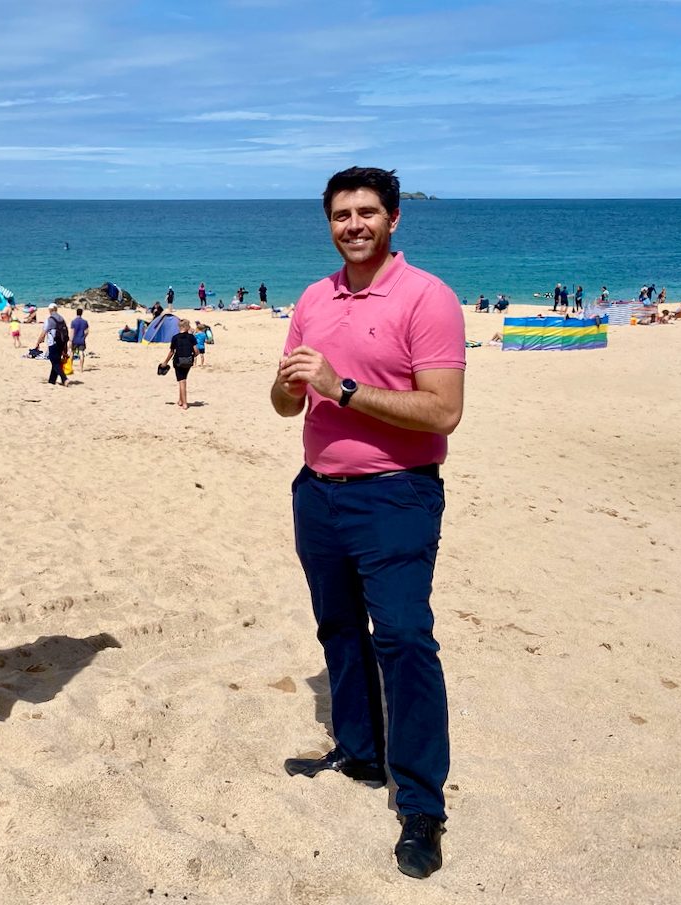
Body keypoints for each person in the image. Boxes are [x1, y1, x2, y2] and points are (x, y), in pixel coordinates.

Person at [272, 167, 464, 880]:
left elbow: (442, 410)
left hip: (396, 495)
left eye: (367, 213)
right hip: (318, 492)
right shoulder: (314, 298)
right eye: (342, 214)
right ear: (329, 222)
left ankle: (419, 803)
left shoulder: (428, 297)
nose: (354, 224)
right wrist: (290, 386)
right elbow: (285, 404)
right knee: (339, 627)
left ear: (393, 220)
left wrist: (342, 387)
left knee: (406, 638)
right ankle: (358, 749)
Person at [161, 317, 197, 409]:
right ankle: (181, 401)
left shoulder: (175, 338)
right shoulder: (191, 337)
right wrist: (193, 356)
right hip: (188, 361)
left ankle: (185, 404)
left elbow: (171, 352)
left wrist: (165, 362)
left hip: (178, 361)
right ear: (187, 326)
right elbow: (196, 351)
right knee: (183, 379)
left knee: (182, 381)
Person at [33, 302, 70, 386]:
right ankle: (51, 381)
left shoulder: (50, 320)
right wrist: (65, 348)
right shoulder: (61, 319)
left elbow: (43, 333)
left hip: (53, 343)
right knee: (56, 361)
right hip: (61, 343)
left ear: (50, 310)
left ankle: (64, 379)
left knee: (54, 362)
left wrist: (37, 343)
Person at [70, 307, 90, 373]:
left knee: (72, 353)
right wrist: (84, 336)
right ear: (82, 313)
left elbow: (72, 332)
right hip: (81, 339)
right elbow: (87, 331)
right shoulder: (85, 322)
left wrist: (70, 340)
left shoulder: (73, 321)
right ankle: (81, 368)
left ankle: (71, 367)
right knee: (81, 353)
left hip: (75, 339)